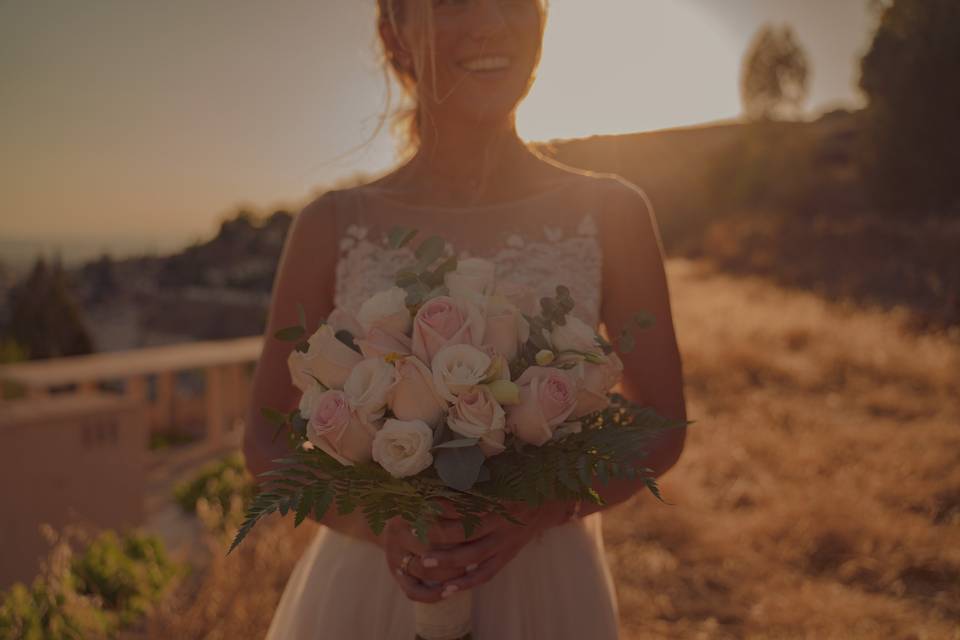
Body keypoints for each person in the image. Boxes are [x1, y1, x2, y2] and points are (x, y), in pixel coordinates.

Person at [243, 0, 687, 637]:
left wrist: (538, 508)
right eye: (453, 2)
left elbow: (663, 424)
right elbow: (263, 435)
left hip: (549, 590)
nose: (491, 24)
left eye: (514, 2)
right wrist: (379, 523)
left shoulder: (613, 212)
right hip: (372, 593)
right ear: (395, 34)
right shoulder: (332, 225)